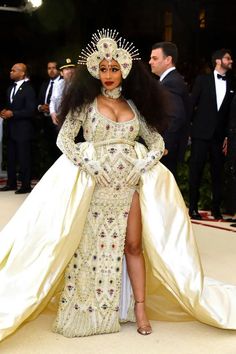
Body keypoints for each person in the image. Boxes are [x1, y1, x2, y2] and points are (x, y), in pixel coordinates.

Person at [2, 30, 236, 342]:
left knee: (134, 246)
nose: (109, 75)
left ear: (124, 70)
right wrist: (90, 164)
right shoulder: (85, 103)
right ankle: (88, 310)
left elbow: (156, 142)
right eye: (103, 69)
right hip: (95, 183)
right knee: (89, 245)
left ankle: (140, 308)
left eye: (114, 69)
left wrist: (143, 164)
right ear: (95, 70)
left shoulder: (135, 106)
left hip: (130, 184)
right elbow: (64, 139)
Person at [189, 48, 234, 220]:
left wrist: (227, 136)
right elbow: (192, 104)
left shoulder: (231, 84)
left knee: (218, 174)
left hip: (218, 137)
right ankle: (192, 208)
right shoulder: (202, 80)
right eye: (228, 58)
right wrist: (191, 130)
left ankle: (216, 209)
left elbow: (230, 113)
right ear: (218, 61)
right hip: (200, 134)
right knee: (196, 171)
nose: (231, 61)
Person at [149, 41, 190, 178]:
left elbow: (176, 117)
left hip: (165, 150)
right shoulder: (169, 80)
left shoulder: (171, 82)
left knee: (163, 193)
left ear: (168, 60)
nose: (150, 62)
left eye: (155, 58)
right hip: (165, 147)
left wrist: (164, 146)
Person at [0, 63, 36, 194]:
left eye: (13, 70)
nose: (10, 72)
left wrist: (13, 113)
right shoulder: (10, 88)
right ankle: (11, 183)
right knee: (10, 157)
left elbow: (31, 110)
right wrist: (4, 111)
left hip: (23, 130)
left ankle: (26, 185)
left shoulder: (28, 89)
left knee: (23, 158)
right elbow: (10, 106)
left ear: (22, 73)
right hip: (10, 129)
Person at [37, 61, 61, 170]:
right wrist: (41, 107)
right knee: (48, 150)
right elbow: (38, 102)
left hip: (58, 122)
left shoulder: (63, 83)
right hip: (45, 122)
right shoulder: (44, 84)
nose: (51, 70)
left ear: (59, 70)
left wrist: (54, 110)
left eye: (54, 68)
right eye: (49, 68)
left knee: (58, 151)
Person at [49, 58, 76, 126]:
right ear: (61, 73)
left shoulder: (81, 85)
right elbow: (52, 101)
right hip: (61, 120)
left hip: (76, 121)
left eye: (71, 68)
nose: (70, 71)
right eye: (67, 69)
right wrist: (52, 113)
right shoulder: (58, 84)